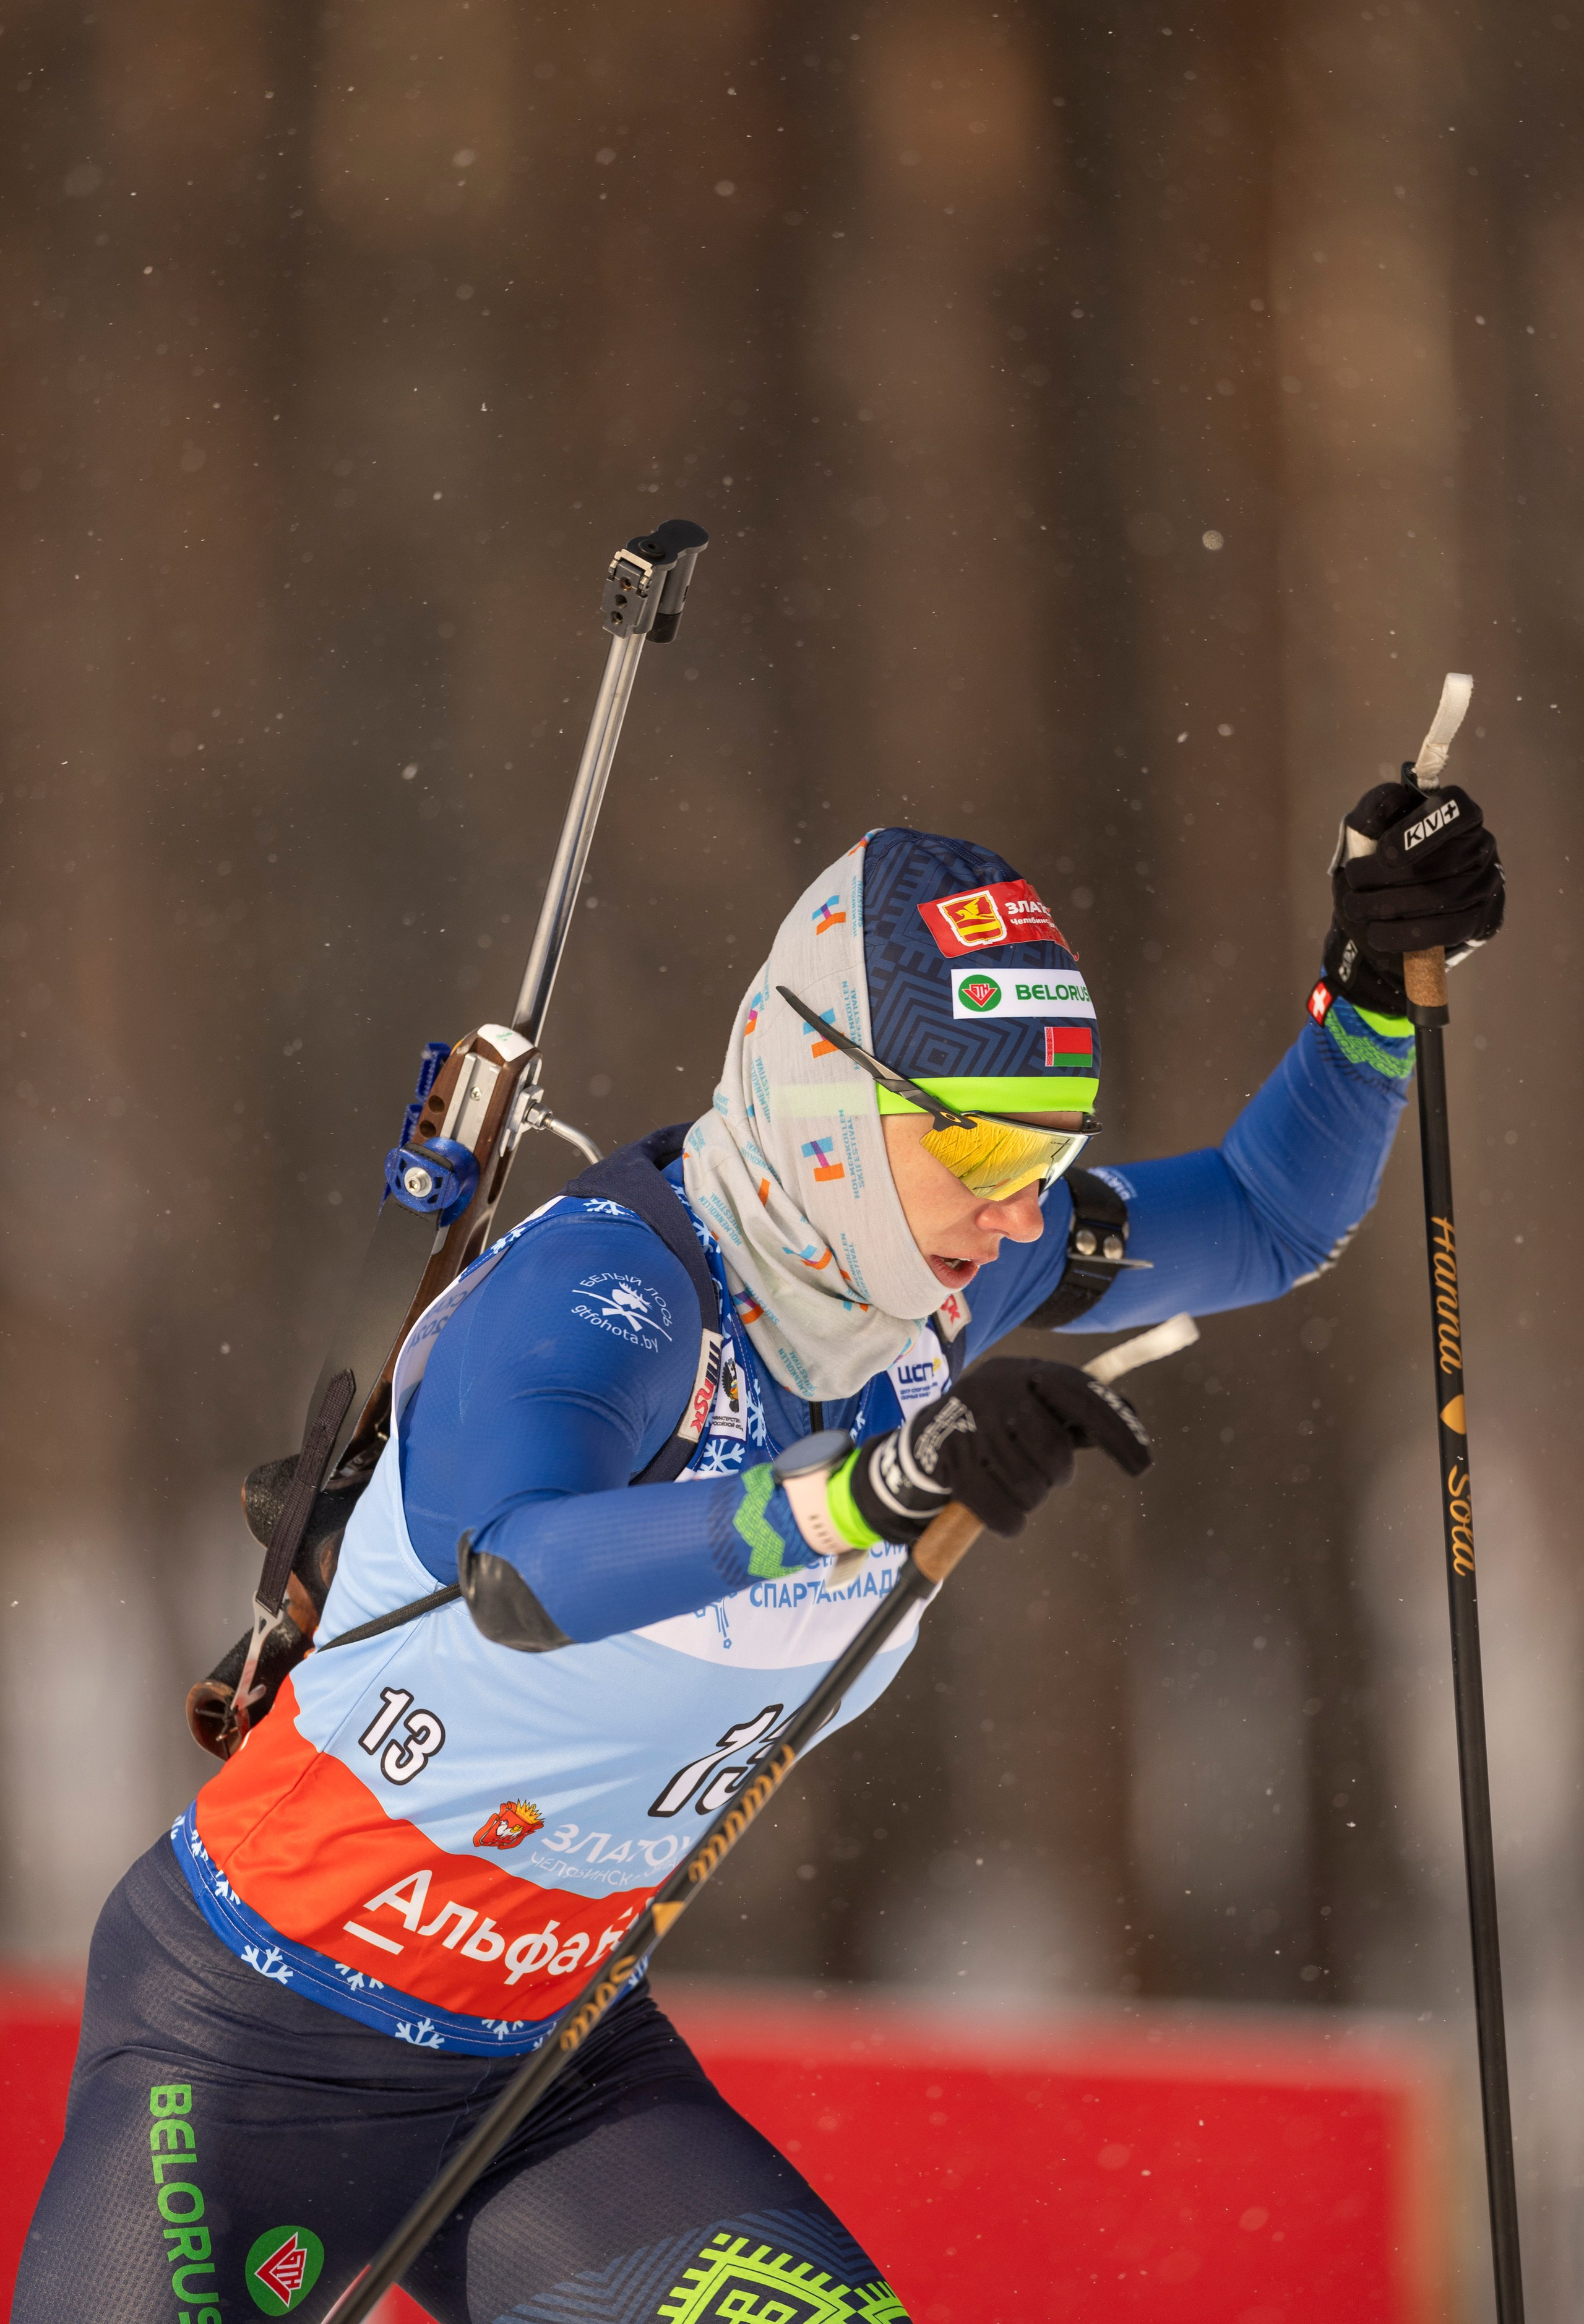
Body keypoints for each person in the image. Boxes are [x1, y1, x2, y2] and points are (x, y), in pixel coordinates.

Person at [17, 795, 1502, 2323]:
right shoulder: (611, 1290)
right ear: (818, 1096)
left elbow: (1263, 1218)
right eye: (978, 1142)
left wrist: (1374, 999)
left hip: (549, 2080)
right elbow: (520, 1575)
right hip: (244, 2049)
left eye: (1047, 1155)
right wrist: (858, 1494)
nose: (1013, 1212)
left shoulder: (939, 1289)